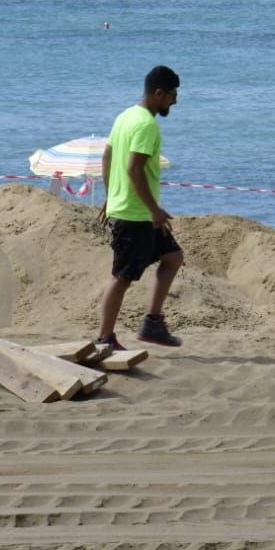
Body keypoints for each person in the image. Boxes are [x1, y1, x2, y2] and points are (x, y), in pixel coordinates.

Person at [96, 65, 184, 351]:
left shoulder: (125, 116)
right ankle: (104, 338)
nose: (175, 100)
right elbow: (134, 169)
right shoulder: (146, 124)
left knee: (172, 256)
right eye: (172, 95)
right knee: (121, 277)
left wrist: (111, 195)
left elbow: (107, 156)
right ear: (159, 93)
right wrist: (154, 209)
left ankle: (153, 324)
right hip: (135, 215)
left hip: (133, 210)